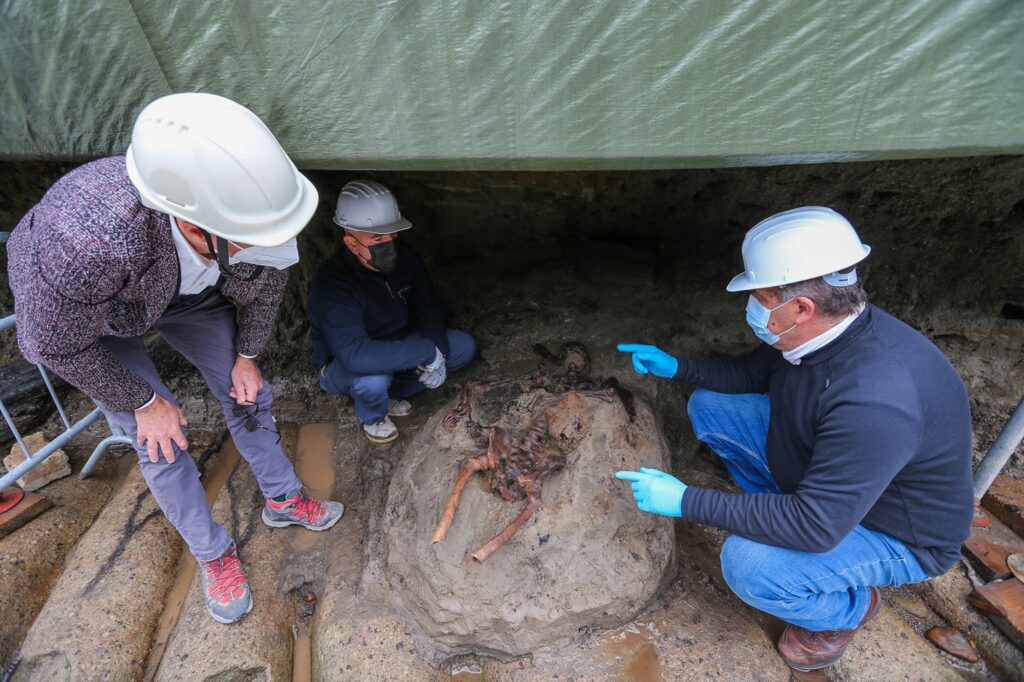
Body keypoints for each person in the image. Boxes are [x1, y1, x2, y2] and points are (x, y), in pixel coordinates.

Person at [7, 93, 344, 625]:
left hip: (192, 287)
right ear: (192, 224)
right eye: (254, 241)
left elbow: (267, 281)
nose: (272, 248)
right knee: (158, 435)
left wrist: (248, 356)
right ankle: (214, 554)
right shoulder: (86, 244)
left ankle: (282, 498)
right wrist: (143, 402)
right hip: (100, 314)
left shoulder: (247, 210)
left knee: (248, 390)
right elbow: (50, 343)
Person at [615, 206, 973, 672]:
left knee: (750, 565)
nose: (753, 307)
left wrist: (685, 501)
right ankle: (774, 515)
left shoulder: (876, 399)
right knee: (711, 406)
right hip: (834, 480)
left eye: (760, 296)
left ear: (801, 307)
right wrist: (678, 367)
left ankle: (846, 610)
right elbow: (753, 371)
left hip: (894, 532)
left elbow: (816, 523)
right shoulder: (823, 331)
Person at [308, 180, 476, 444]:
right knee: (372, 380)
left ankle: (392, 392)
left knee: (463, 347)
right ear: (352, 245)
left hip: (397, 343)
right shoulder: (333, 285)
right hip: (346, 365)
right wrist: (424, 352)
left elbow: (427, 305)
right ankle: (373, 415)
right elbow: (354, 355)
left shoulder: (404, 257)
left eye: (392, 236)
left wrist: (439, 352)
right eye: (378, 239)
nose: (389, 244)